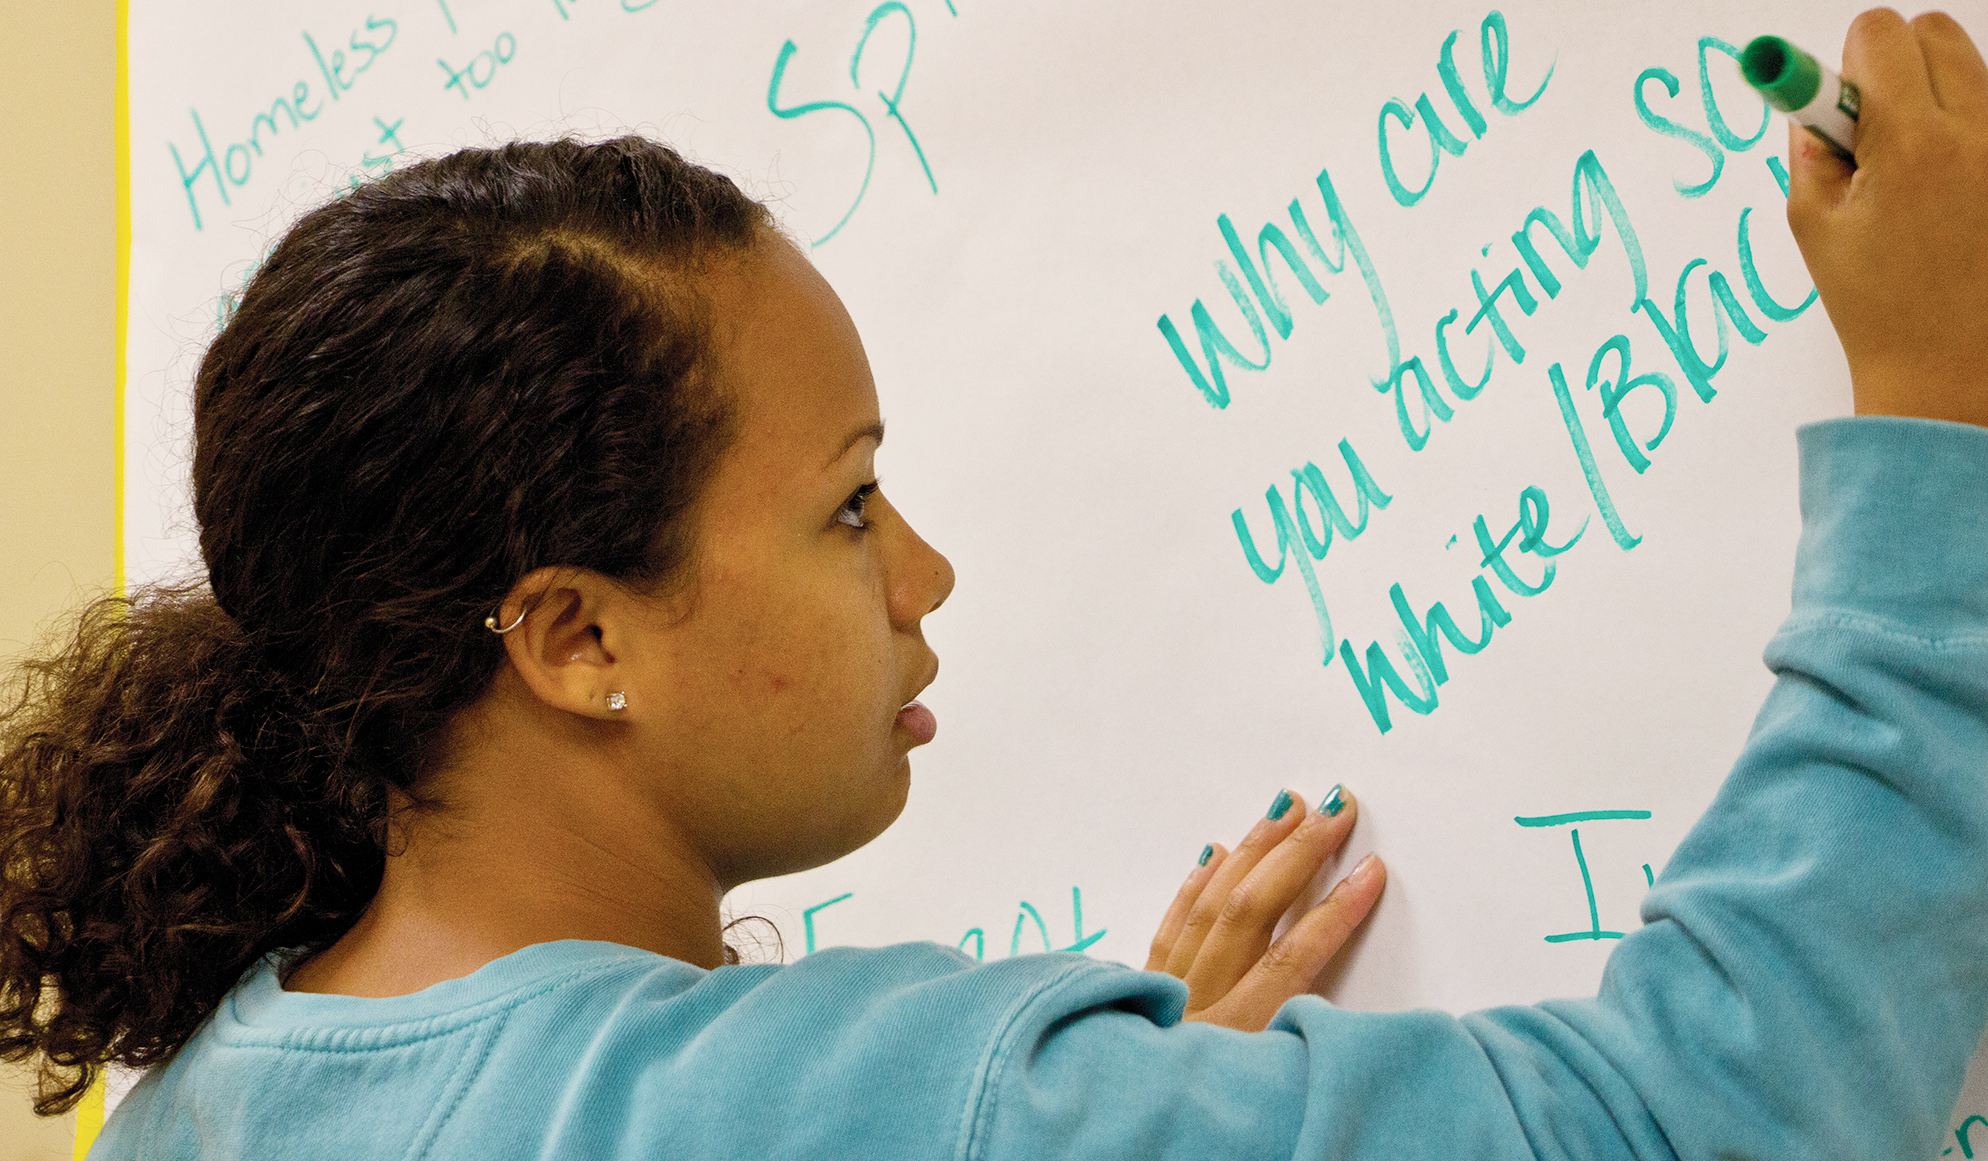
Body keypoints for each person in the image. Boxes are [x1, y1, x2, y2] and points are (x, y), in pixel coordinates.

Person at [3, 7, 1985, 1157]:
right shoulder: (881, 1109)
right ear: (575, 635)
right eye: (853, 505)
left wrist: (1131, 1105)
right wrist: (1935, 413)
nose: (927, 569)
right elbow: (1697, 1123)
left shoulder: (211, 1104)